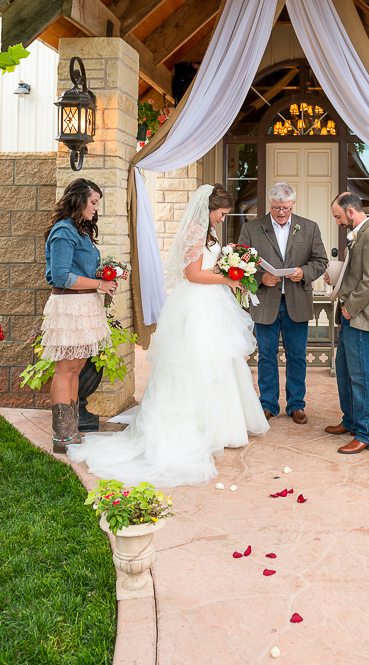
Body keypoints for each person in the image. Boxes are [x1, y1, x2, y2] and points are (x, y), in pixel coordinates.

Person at [69, 184, 269, 486]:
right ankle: (196, 428)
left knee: (218, 364)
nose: (222, 219)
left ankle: (220, 427)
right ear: (209, 208)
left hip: (212, 303)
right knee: (195, 363)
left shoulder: (208, 232)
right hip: (196, 305)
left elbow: (207, 266)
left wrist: (232, 269)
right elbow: (193, 274)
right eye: (221, 213)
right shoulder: (193, 229)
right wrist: (227, 277)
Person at [239, 182, 328, 425]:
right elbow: (239, 264)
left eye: (286, 208)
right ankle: (267, 404)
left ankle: (296, 405)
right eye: (277, 208)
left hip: (297, 300)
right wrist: (260, 277)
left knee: (297, 356)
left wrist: (304, 272)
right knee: (266, 356)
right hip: (265, 302)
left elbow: (321, 261)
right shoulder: (252, 228)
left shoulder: (309, 228)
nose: (281, 213)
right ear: (270, 204)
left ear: (293, 205)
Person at [43, 179, 116, 454]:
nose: (96, 208)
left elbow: (78, 271)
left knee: (75, 369)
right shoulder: (64, 231)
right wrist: (99, 284)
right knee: (65, 370)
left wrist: (102, 277)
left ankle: (71, 431)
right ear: (78, 201)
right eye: (93, 202)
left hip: (83, 306)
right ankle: (62, 437)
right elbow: (61, 276)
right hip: (69, 308)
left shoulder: (80, 231)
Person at [324, 192, 369, 454]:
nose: (338, 223)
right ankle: (351, 421)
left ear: (351, 212)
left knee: (361, 375)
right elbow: (358, 272)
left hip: (362, 315)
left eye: (339, 217)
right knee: (345, 371)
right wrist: (337, 276)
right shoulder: (358, 234)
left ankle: (366, 434)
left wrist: (350, 308)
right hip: (351, 314)